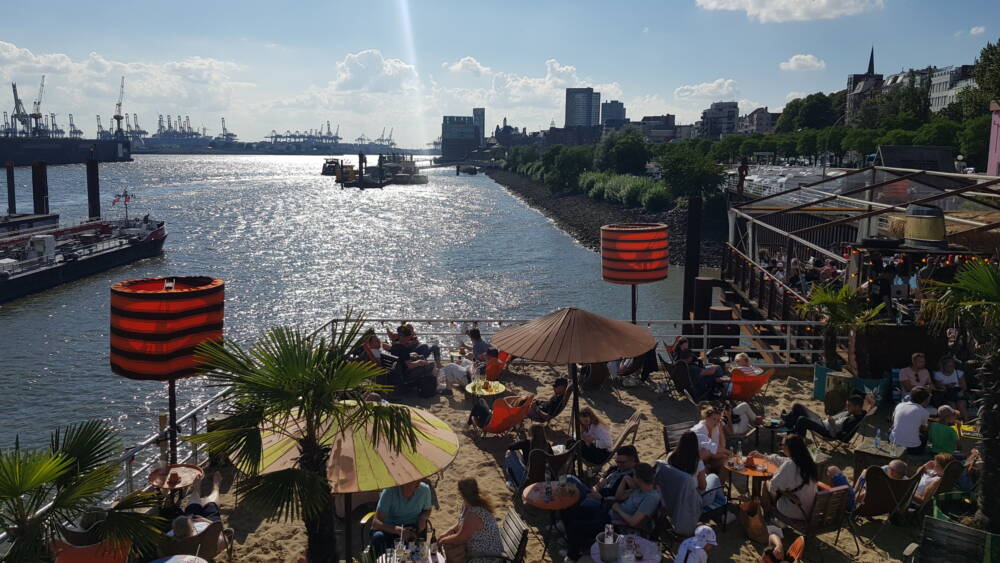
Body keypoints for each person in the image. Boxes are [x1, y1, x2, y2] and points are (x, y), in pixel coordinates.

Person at [562, 462, 661, 560]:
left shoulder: (650, 497)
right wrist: (624, 479)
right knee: (569, 511)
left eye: (634, 475)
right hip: (608, 512)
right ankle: (575, 543)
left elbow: (633, 522)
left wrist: (618, 509)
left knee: (575, 526)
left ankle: (573, 555)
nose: (632, 477)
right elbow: (619, 497)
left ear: (639, 479)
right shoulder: (639, 489)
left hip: (614, 524)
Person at [754, 434, 818, 521]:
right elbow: (780, 460)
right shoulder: (807, 461)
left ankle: (765, 517)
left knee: (767, 484)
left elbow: (774, 485)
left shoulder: (790, 465)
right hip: (809, 510)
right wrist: (764, 457)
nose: (781, 447)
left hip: (795, 510)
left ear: (789, 448)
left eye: (782, 445)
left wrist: (780, 493)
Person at [438, 478, 502, 563]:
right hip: (479, 551)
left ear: (461, 494)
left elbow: (460, 538)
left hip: (487, 558)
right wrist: (447, 533)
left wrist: (443, 540)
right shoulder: (468, 505)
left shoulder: (474, 514)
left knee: (449, 548)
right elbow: (460, 523)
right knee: (449, 546)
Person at [667, 431, 726, 512]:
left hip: (677, 497)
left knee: (710, 480)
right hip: (695, 502)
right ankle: (724, 508)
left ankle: (723, 505)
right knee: (713, 477)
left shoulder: (670, 456)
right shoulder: (697, 462)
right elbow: (703, 486)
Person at [168, 472, 227, 553]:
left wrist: (188, 520)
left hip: (192, 524)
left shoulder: (170, 538)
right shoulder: (204, 535)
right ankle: (216, 486)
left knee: (193, 507)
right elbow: (224, 542)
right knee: (210, 503)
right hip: (209, 525)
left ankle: (196, 488)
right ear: (192, 528)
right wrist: (206, 521)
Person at [370, 480, 433, 554]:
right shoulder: (389, 491)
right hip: (391, 529)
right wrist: (396, 530)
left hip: (412, 528)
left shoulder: (424, 490)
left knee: (418, 552)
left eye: (417, 484)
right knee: (378, 537)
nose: (414, 493)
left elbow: (427, 509)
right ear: (401, 484)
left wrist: (423, 517)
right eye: (409, 487)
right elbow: (375, 523)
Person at [781, 394, 870, 442]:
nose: (847, 408)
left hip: (827, 431)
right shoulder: (857, 412)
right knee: (797, 406)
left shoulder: (854, 421)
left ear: (858, 407)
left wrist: (833, 424)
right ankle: (788, 424)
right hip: (823, 422)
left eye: (849, 406)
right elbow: (869, 404)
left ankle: (797, 442)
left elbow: (844, 439)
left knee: (801, 420)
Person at [503, 423, 552, 487]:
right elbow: (551, 457)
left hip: (529, 476)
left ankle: (513, 480)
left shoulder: (526, 443)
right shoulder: (547, 444)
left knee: (509, 454)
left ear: (531, 432)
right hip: (544, 475)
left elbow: (510, 447)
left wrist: (517, 442)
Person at [691, 404, 732, 472]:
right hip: (695, 460)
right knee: (707, 452)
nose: (716, 422)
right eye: (714, 419)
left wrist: (720, 430)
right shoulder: (699, 429)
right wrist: (729, 452)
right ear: (706, 417)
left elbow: (722, 446)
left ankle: (719, 482)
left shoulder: (715, 428)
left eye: (718, 420)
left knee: (726, 460)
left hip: (708, 459)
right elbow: (713, 447)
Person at [891, 387, 931, 455]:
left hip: (893, 442)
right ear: (925, 400)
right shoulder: (924, 412)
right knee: (925, 434)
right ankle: (920, 453)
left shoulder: (900, 405)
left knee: (892, 428)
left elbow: (893, 420)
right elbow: (924, 429)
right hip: (913, 448)